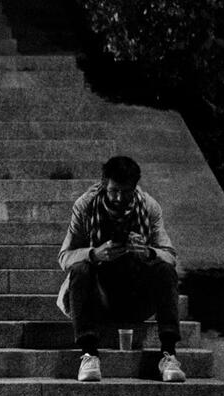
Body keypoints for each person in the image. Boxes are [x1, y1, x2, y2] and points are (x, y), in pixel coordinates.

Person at [56, 154, 186, 383]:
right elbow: (65, 256)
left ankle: (168, 354)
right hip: (100, 297)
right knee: (80, 269)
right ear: (105, 184)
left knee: (165, 269)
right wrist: (94, 253)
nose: (118, 197)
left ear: (135, 187)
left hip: (137, 294)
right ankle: (88, 353)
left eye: (125, 192)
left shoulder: (149, 207)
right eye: (114, 190)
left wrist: (148, 252)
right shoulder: (86, 206)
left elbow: (170, 254)